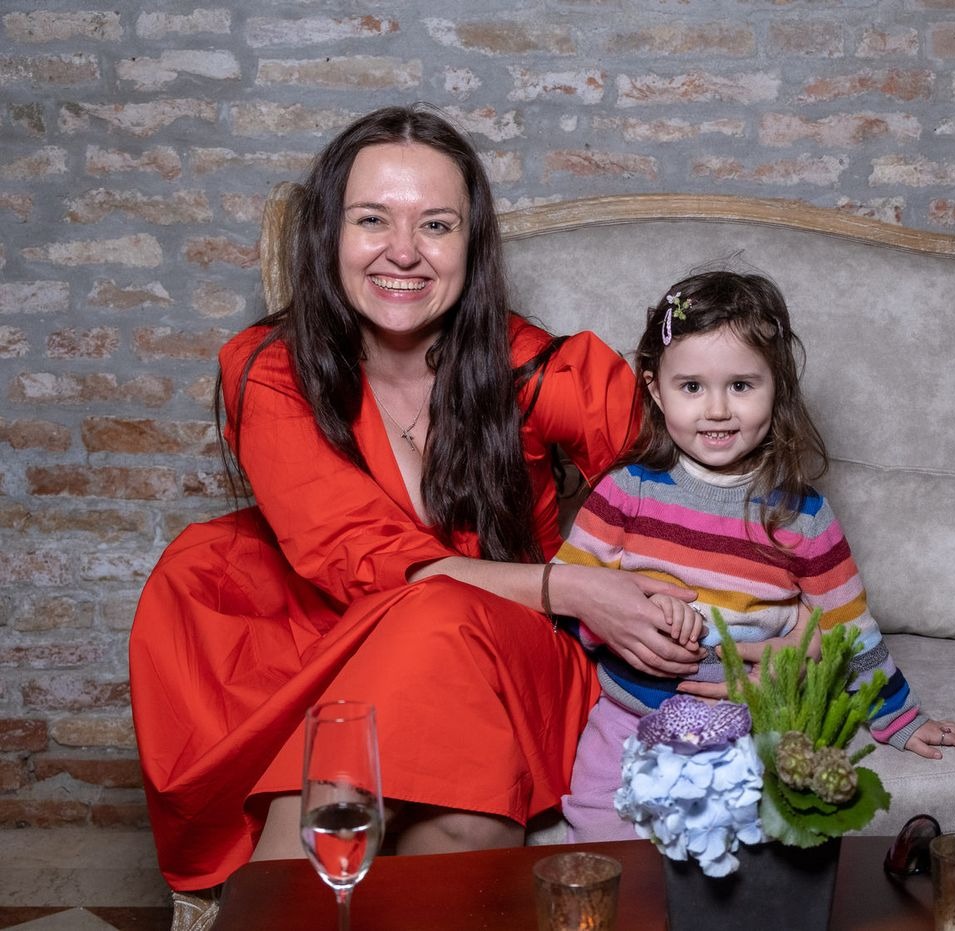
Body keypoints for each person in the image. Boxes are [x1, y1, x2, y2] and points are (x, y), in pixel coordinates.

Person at [127, 104, 702, 923]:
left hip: (514, 653)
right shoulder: (270, 370)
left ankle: (271, 897)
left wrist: (674, 579)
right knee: (461, 806)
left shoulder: (532, 366)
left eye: (436, 224)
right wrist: (574, 586)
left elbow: (697, 461)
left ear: (472, 243)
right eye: (372, 219)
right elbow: (365, 558)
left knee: (437, 623)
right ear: (329, 234)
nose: (404, 251)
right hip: (333, 639)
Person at [554, 270, 955, 841]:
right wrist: (638, 611)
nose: (716, 410)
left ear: (776, 386)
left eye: (740, 385)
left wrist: (900, 719)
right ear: (656, 390)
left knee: (730, 853)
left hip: (749, 722)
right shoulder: (624, 492)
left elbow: (848, 628)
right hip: (629, 715)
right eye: (691, 387)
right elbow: (568, 595)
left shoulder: (803, 517)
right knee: (599, 837)